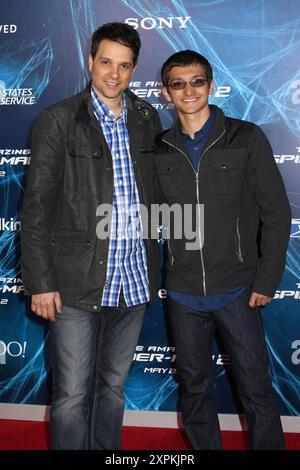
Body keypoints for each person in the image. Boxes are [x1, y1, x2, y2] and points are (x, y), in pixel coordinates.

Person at [21, 22, 162, 450]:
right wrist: (41, 282)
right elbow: (37, 208)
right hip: (76, 283)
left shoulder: (146, 118)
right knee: (71, 396)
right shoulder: (58, 120)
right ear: (90, 61)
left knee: (112, 390)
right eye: (106, 63)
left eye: (124, 66)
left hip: (133, 281)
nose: (113, 75)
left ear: (134, 69)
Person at [154, 50, 291, 450]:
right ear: (166, 93)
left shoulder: (245, 137)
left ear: (211, 86)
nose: (189, 90)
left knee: (256, 389)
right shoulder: (158, 148)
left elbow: (277, 214)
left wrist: (266, 279)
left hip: (237, 289)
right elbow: (146, 217)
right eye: (178, 84)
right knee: (194, 390)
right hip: (182, 294)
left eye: (197, 81)